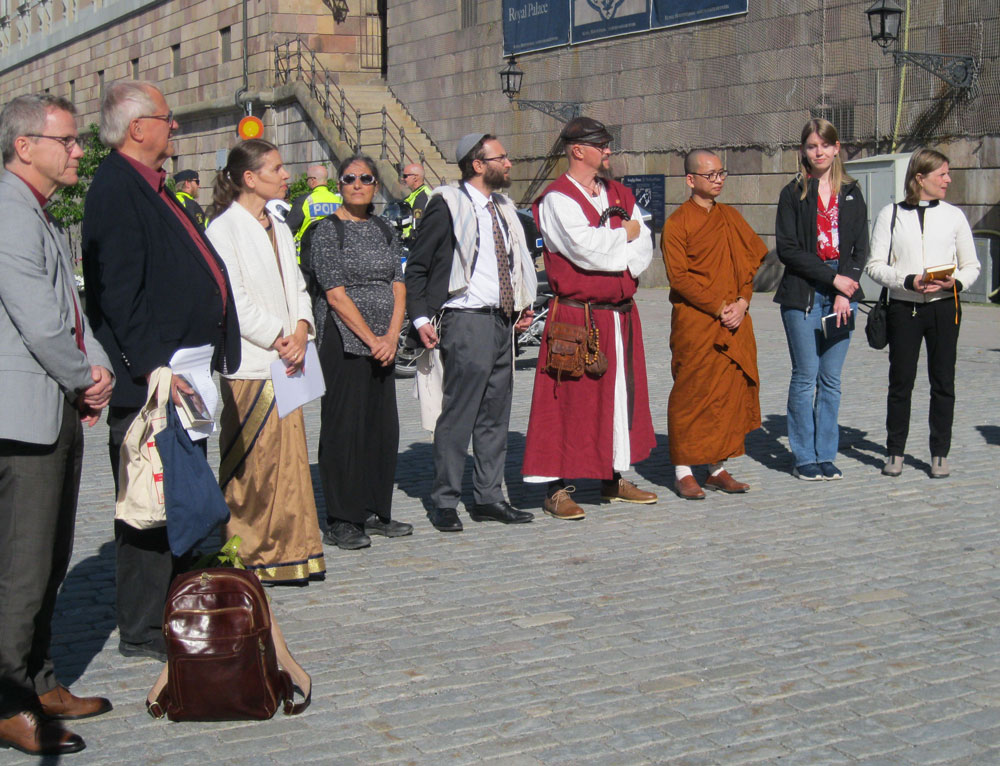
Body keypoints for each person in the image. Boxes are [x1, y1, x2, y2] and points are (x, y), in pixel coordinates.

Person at [81, 81, 240, 661]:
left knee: (182, 490)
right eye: (167, 120)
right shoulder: (117, 189)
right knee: (150, 498)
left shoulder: (153, 186)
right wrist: (153, 366)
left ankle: (176, 601)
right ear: (137, 127)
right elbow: (119, 292)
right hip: (154, 376)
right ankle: (144, 627)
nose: (175, 128)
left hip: (185, 370)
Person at [0, 94, 114, 756]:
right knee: (21, 564)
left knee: (47, 560)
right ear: (25, 147)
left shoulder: (35, 212)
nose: (78, 150)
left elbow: (68, 305)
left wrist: (92, 368)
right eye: (68, 140)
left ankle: (39, 679)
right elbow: (38, 320)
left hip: (53, 406)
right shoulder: (9, 213)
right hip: (23, 419)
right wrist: (83, 376)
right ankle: (9, 699)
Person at [522, 116, 657, 520]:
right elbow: (585, 248)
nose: (609, 151)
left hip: (619, 315)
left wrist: (626, 246)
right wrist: (626, 234)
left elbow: (644, 244)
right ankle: (555, 488)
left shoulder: (619, 191)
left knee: (619, 399)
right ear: (578, 150)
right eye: (602, 144)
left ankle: (613, 476)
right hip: (575, 317)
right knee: (566, 402)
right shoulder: (557, 199)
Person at [205, 139, 326, 583]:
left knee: (289, 461)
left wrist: (300, 327)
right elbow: (232, 300)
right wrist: (278, 337)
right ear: (250, 178)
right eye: (276, 168)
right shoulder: (224, 228)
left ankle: (294, 548)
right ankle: (249, 550)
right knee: (254, 466)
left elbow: (295, 283)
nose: (285, 175)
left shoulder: (276, 223)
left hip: (288, 358)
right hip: (253, 363)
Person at [405, 133, 537, 532]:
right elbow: (417, 265)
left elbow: (512, 262)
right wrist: (421, 319)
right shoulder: (446, 205)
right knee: (459, 413)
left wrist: (523, 302)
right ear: (478, 165)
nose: (509, 163)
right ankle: (445, 500)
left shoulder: (502, 208)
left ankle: (488, 497)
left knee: (495, 413)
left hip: (502, 321)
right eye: (502, 157)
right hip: (466, 320)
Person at [305, 155, 411, 549]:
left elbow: (398, 283)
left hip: (383, 342)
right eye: (349, 178)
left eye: (365, 178)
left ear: (375, 185)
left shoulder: (384, 228)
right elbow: (334, 294)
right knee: (343, 428)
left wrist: (390, 335)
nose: (357, 184)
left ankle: (373, 508)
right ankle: (342, 518)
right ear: (339, 184)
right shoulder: (327, 231)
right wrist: (371, 339)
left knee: (381, 427)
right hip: (345, 341)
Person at [865, 148, 980, 479]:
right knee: (901, 382)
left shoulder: (954, 216)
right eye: (941, 173)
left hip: (944, 308)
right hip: (904, 308)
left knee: (943, 382)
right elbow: (875, 266)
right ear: (920, 178)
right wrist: (907, 280)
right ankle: (895, 450)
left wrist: (953, 282)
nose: (948, 179)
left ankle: (940, 452)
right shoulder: (892, 214)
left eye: (948, 173)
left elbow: (972, 265)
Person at [661, 149, 768, 500]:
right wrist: (720, 306)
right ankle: (682, 470)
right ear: (691, 180)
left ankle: (716, 467)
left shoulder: (731, 217)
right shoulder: (678, 224)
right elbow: (679, 278)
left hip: (733, 320)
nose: (718, 179)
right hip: (697, 323)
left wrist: (742, 302)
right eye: (711, 175)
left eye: (722, 173)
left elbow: (748, 267)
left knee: (726, 394)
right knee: (691, 394)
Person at [774, 118, 868, 481]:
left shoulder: (851, 191)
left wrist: (848, 288)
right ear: (803, 151)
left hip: (843, 293)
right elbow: (789, 249)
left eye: (825, 145)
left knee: (831, 379)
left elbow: (861, 245)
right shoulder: (793, 193)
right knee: (805, 376)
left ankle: (826, 453)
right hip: (805, 294)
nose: (819, 152)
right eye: (812, 146)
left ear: (836, 148)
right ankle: (804, 456)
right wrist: (833, 279)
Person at [285, 163, 343, 252]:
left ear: (312, 180)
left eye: (307, 179)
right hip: (333, 254)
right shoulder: (339, 201)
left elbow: (287, 229)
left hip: (307, 257)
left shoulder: (304, 201)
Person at [401, 162, 431, 239]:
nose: (402, 179)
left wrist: (404, 236)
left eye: (405, 176)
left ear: (415, 177)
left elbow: (417, 226)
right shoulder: (414, 195)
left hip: (412, 244)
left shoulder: (421, 197)